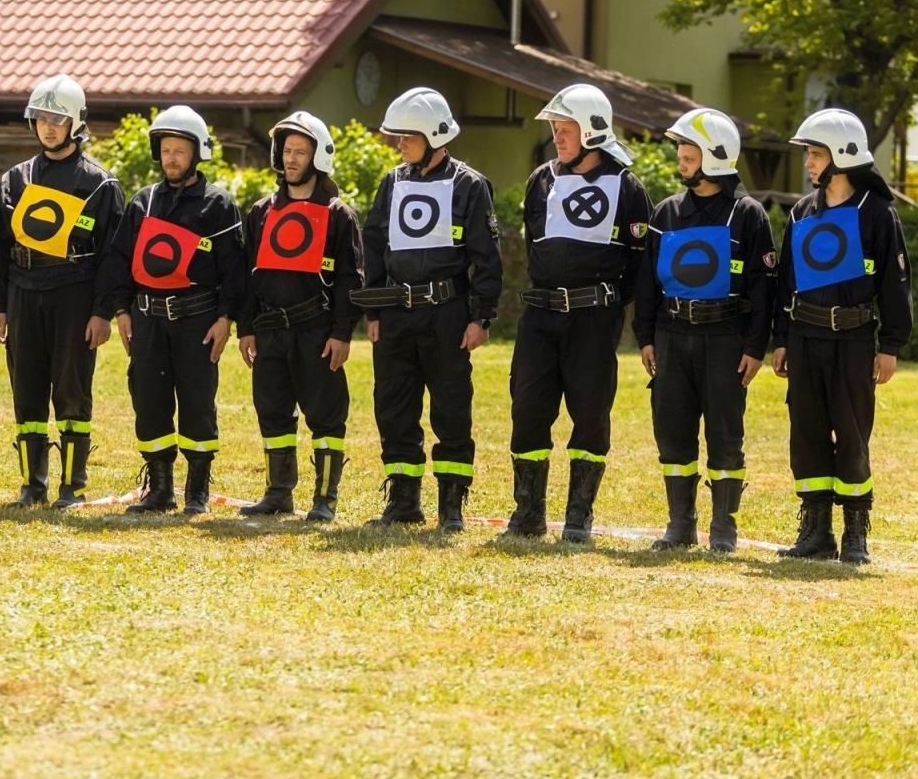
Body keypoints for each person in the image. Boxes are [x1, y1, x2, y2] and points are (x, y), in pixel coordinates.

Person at [507, 83, 652, 543]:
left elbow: (641, 261)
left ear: (592, 130)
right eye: (554, 128)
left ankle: (578, 518)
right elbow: (534, 244)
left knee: (590, 415)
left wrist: (605, 302)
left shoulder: (628, 187)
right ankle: (528, 514)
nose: (557, 136)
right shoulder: (541, 180)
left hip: (593, 319)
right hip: (540, 317)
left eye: (565, 127)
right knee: (528, 410)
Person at [353, 88, 502, 531]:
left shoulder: (469, 186)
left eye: (407, 136)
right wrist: (374, 312)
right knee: (393, 406)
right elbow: (374, 248)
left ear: (434, 137)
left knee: (452, 407)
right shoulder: (391, 182)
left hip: (448, 313)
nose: (399, 144)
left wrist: (482, 317)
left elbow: (487, 256)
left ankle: (451, 505)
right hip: (396, 314)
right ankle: (402, 501)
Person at [771, 108, 912, 564]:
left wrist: (890, 345)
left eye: (815, 154)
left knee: (851, 434)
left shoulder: (876, 214)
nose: (809, 163)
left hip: (853, 341)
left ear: (843, 156)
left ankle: (855, 533)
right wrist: (782, 339)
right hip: (805, 337)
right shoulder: (800, 212)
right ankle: (815, 532)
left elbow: (896, 283)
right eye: (809, 155)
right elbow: (785, 282)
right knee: (807, 432)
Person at [633, 108, 775, 553]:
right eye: (681, 153)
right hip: (673, 338)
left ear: (715, 156)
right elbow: (647, 283)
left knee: (725, 434)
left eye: (689, 154)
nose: (681, 161)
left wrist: (756, 346)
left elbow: (763, 286)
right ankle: (680, 524)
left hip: (726, 341)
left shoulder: (748, 215)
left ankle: (723, 529)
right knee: (672, 430)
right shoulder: (666, 213)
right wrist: (646, 337)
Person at [100, 106, 246, 514]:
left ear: (197, 153)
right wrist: (122, 311)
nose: (172, 158)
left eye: (180, 150)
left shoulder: (219, 205)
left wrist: (226, 319)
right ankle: (160, 487)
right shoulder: (143, 203)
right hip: (147, 319)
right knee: (148, 399)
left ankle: (196, 490)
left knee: (198, 401)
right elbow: (120, 260)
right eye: (166, 150)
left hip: (198, 321)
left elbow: (235, 272)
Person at [0, 74, 123, 508]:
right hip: (23, 292)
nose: (49, 127)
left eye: (58, 119)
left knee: (71, 388)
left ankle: (72, 486)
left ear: (76, 124)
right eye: (42, 118)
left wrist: (102, 312)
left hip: (74, 294)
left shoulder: (100, 185)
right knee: (26, 388)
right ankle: (32, 485)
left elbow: (112, 259)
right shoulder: (14, 180)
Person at [235, 112, 364, 522]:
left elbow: (350, 279)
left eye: (300, 152)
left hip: (317, 331)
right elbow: (247, 275)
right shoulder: (260, 211)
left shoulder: (338, 214)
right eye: (287, 151)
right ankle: (278, 494)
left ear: (318, 157)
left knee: (326, 416)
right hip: (270, 332)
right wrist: (247, 328)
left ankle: (325, 498)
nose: (291, 159)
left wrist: (342, 333)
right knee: (272, 411)